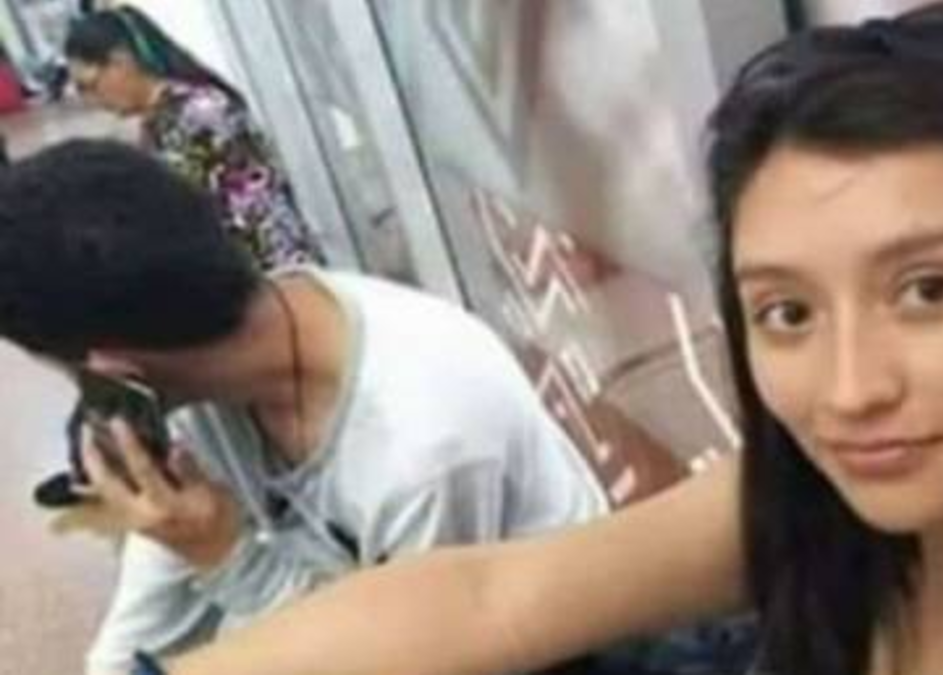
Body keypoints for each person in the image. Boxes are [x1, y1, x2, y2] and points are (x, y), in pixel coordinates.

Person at [141, 3, 943, 675]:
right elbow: (489, 598)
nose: (849, 390)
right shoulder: (817, 513)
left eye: (929, 291)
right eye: (787, 311)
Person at [0, 140, 608, 675]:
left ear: (114, 371)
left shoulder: (426, 442)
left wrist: (226, 556)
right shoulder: (209, 367)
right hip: (361, 607)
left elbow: (423, 654)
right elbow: (142, 618)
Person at [65, 7, 324, 269]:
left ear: (121, 62)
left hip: (270, 269)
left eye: (90, 85)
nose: (92, 100)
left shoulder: (198, 113)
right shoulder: (161, 121)